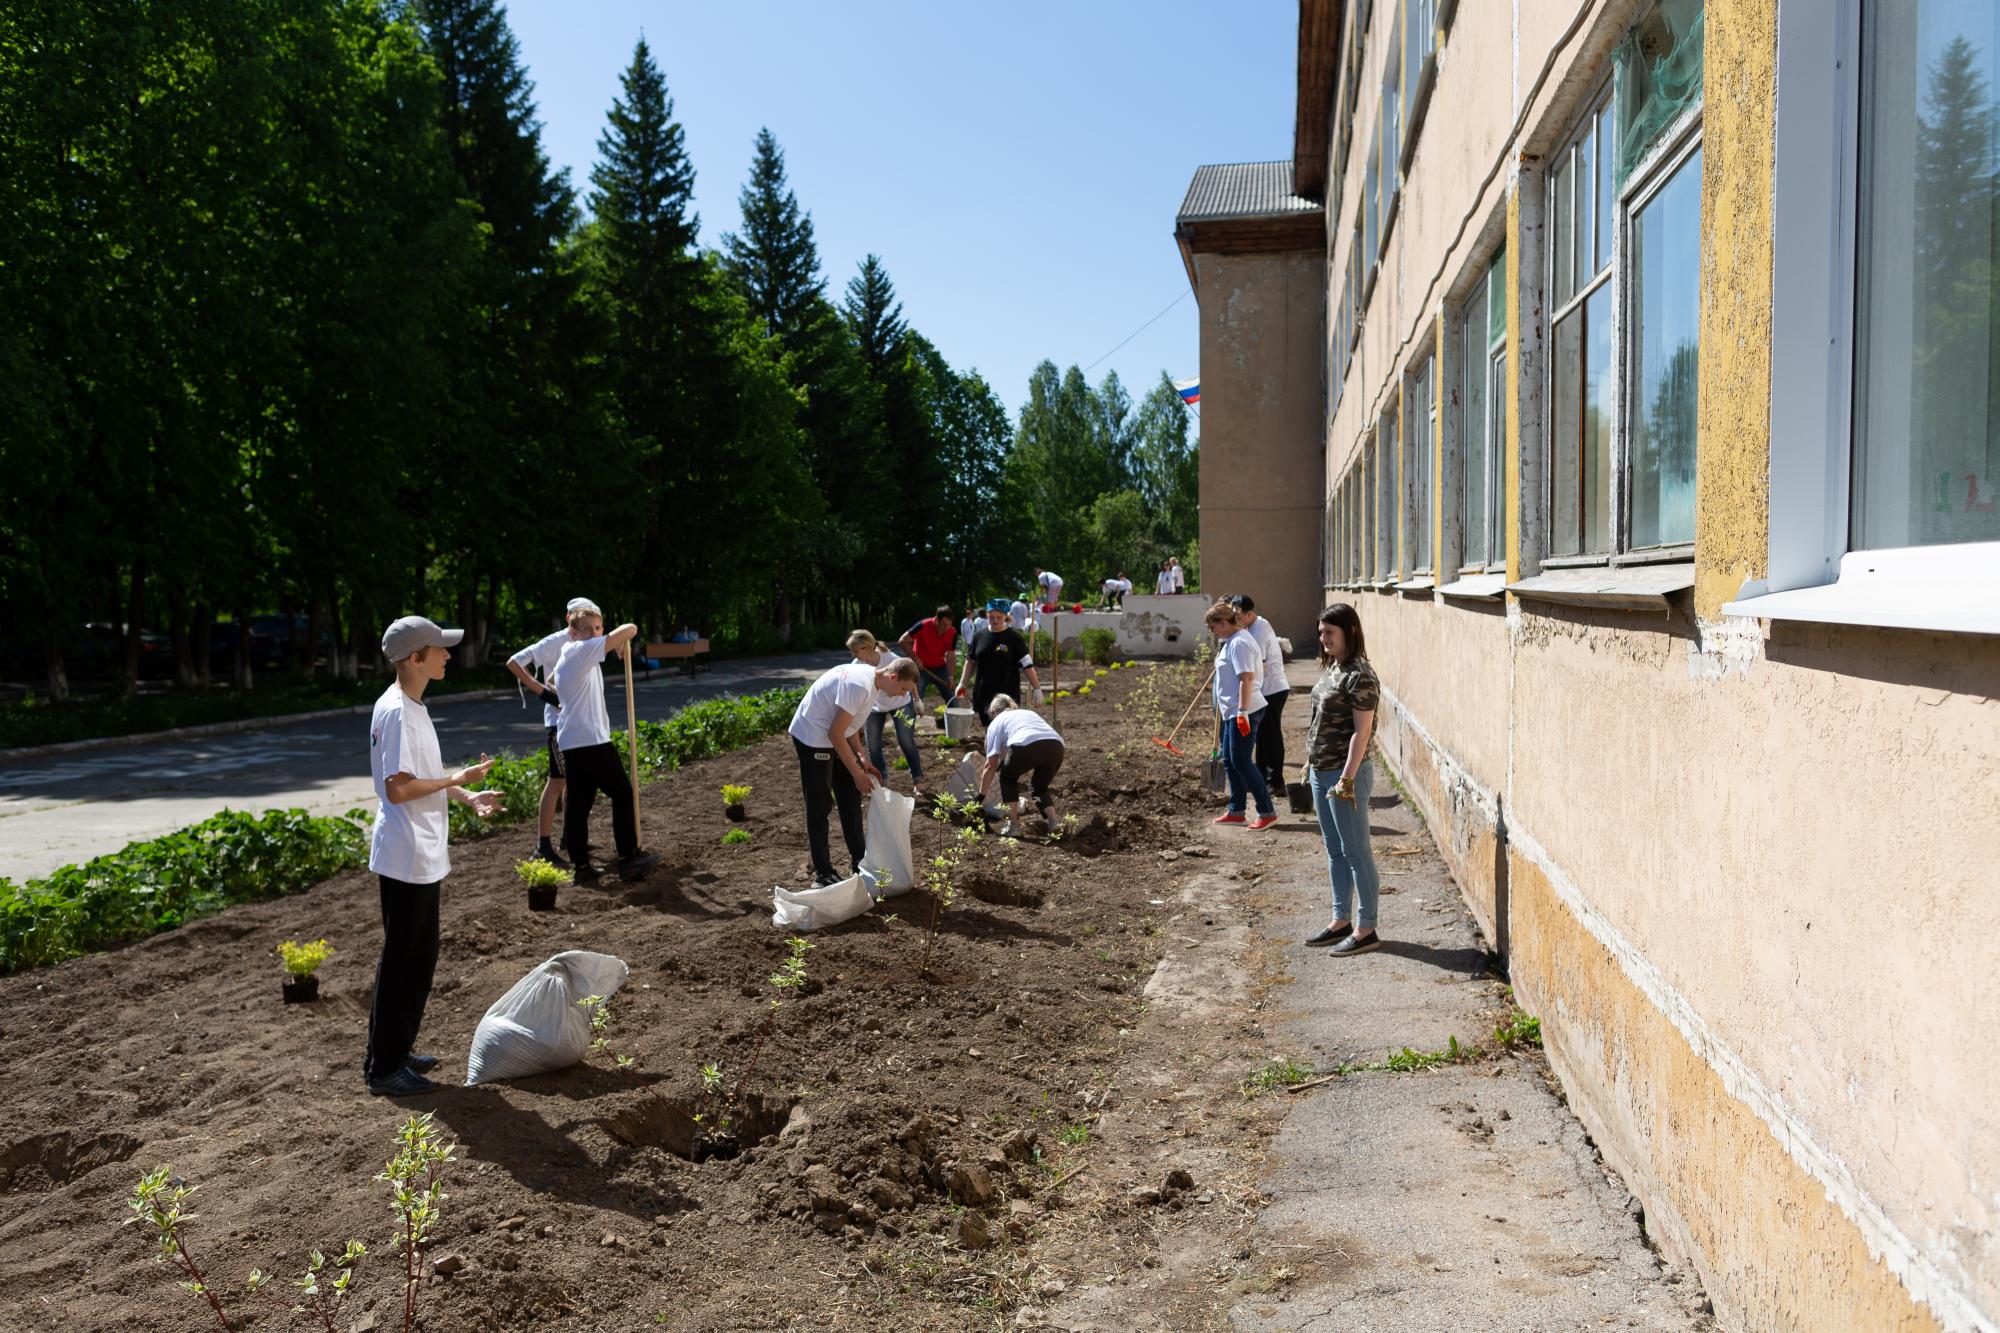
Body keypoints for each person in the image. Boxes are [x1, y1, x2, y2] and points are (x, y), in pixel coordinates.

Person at [364, 615, 503, 1097]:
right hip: (406, 853)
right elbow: (398, 789)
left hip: (416, 851)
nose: (448, 655)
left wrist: (467, 797)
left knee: (416, 956)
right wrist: (457, 781)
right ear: (415, 658)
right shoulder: (399, 711)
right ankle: (385, 1068)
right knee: (405, 958)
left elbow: (418, 771)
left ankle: (395, 1053)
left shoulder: (411, 706)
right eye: (440, 649)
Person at [789, 653, 921, 887]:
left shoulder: (873, 686)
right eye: (903, 689)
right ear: (892, 676)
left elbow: (849, 728)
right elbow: (835, 733)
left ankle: (860, 862)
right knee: (820, 804)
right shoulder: (859, 686)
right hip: (813, 736)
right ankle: (823, 872)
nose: (903, 695)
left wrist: (862, 758)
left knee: (850, 796)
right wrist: (857, 773)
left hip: (832, 735)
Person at [550, 604, 656, 884]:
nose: (594, 634)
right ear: (572, 632)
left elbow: (551, 680)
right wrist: (616, 641)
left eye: (598, 628)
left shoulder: (569, 655)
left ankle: (582, 868)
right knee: (623, 793)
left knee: (580, 805)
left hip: (575, 741)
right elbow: (630, 628)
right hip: (591, 741)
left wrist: (613, 645)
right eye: (587, 629)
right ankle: (628, 858)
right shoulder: (580, 650)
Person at [1303, 604, 1383, 955]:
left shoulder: (1360, 675)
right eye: (1320, 633)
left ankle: (1367, 929)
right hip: (1323, 771)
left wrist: (1347, 778)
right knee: (1335, 850)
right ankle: (1341, 921)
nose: (1323, 640)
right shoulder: (1334, 668)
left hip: (1344, 774)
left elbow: (1361, 733)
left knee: (1357, 853)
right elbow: (1320, 719)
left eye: (1329, 633)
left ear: (1349, 631)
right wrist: (1310, 761)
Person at [503, 599, 598, 869]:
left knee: (576, 783)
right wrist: (545, 695)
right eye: (584, 621)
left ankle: (570, 838)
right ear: (570, 620)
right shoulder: (554, 642)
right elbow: (514, 662)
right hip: (559, 724)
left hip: (579, 723)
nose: (591, 628)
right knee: (558, 782)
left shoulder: (588, 641)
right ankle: (542, 846)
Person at [1208, 600, 1276, 829]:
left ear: (1224, 622)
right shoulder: (1230, 641)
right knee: (1229, 760)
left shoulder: (1240, 643)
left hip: (1244, 710)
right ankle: (1236, 810)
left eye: (1213, 626)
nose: (1212, 631)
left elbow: (1246, 678)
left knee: (1242, 761)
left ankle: (1266, 812)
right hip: (1232, 711)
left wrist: (1242, 712)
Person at [977, 694, 1065, 837]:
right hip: (1056, 746)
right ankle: (1053, 822)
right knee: (1039, 788)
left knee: (1007, 777)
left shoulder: (996, 722)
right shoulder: (1027, 713)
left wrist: (980, 797)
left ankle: (1014, 826)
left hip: (1026, 744)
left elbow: (990, 765)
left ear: (993, 712)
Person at [1229, 594, 1290, 796]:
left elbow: (1257, 666)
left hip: (1272, 689)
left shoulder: (1259, 631)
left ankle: (1276, 782)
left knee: (1270, 735)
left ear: (1249, 613)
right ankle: (1262, 777)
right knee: (1262, 736)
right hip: (1266, 688)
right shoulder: (1252, 626)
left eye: (1237, 615)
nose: (1235, 619)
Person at [849, 630, 923, 790]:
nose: (853, 654)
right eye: (852, 651)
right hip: (874, 707)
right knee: (873, 745)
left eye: (856, 650)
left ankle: (918, 781)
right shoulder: (856, 665)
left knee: (906, 741)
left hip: (900, 703)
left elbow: (910, 675)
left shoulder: (890, 658)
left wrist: (917, 700)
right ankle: (883, 782)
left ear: (867, 647)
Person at [956, 601, 1045, 723]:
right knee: (989, 729)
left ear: (1006, 617)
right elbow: (970, 661)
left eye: (999, 617)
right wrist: (962, 683)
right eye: (991, 617)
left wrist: (1036, 688)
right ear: (987, 616)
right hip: (984, 692)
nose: (995, 621)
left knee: (1007, 727)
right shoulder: (979, 636)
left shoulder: (1014, 638)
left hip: (1007, 693)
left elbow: (1027, 665)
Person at [897, 605, 959, 707]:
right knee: (914, 700)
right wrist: (916, 659)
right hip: (920, 669)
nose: (947, 628)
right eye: (944, 624)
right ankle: (909, 722)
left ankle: (953, 722)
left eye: (949, 625)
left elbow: (951, 655)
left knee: (952, 698)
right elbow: (903, 640)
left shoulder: (952, 632)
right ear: (936, 620)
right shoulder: (922, 625)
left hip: (940, 668)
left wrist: (950, 677)